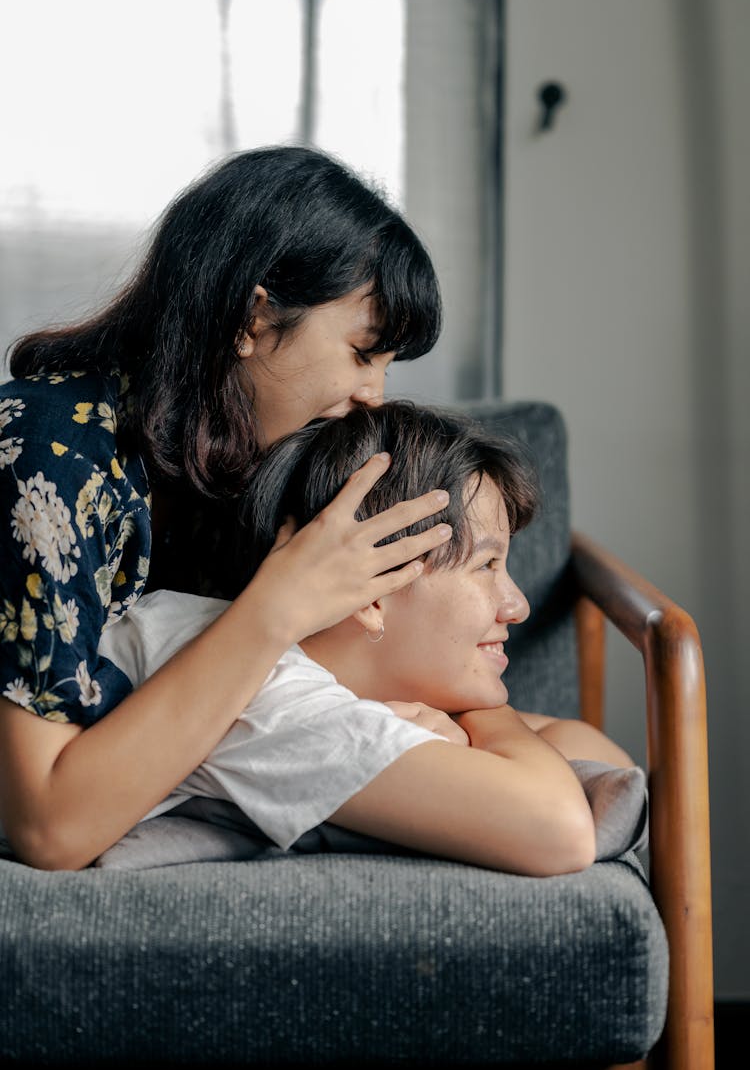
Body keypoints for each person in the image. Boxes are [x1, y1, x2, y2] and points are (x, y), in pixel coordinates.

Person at [0, 146, 453, 871]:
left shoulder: (238, 469)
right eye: (363, 352)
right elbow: (49, 826)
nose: (375, 392)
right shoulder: (52, 456)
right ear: (254, 314)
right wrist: (278, 606)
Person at [97, 402, 637, 877]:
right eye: (487, 565)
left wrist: (464, 724)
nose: (517, 605)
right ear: (372, 591)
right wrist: (485, 715)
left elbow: (599, 758)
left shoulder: (278, 658)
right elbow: (561, 832)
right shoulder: (273, 697)